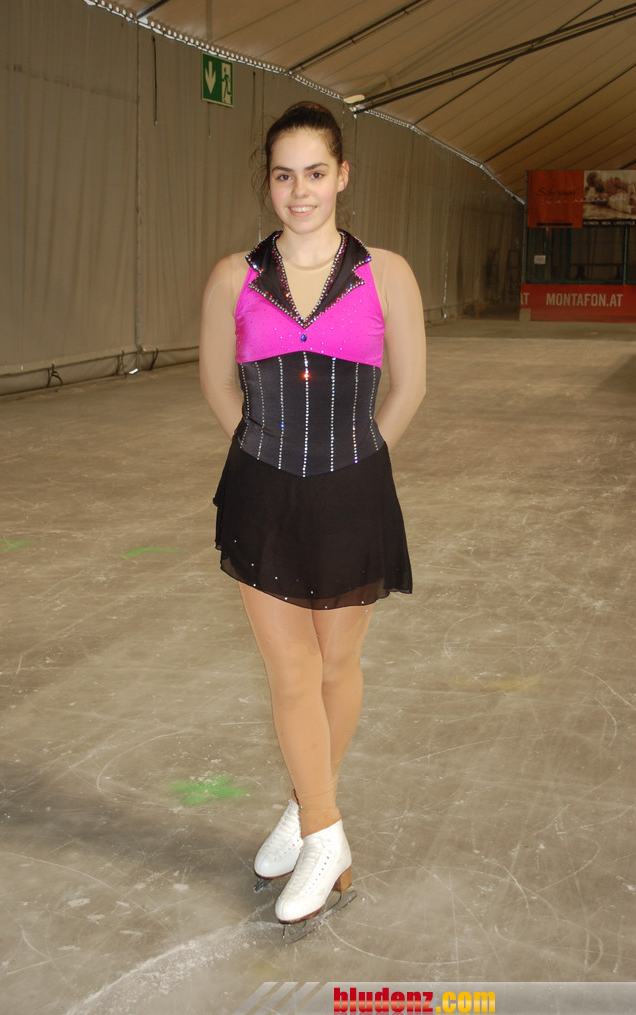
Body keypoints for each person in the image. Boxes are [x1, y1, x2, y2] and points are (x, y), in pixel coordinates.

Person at [199, 101, 426, 932]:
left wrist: (355, 461)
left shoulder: (385, 274)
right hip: (260, 495)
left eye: (316, 173)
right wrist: (263, 452)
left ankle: (304, 811)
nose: (300, 191)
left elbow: (409, 386)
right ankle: (327, 835)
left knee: (335, 666)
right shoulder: (232, 276)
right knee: (289, 671)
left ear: (342, 177)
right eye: (284, 175)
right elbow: (216, 382)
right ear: (268, 183)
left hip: (351, 496)